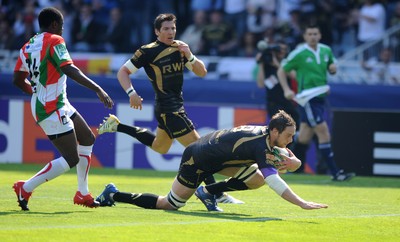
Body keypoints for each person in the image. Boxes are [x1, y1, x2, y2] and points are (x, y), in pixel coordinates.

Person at [97, 13, 242, 204]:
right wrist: (131, 92)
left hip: (174, 107)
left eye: (173, 28)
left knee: (160, 147)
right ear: (157, 31)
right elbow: (123, 71)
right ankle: (215, 193)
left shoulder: (181, 48)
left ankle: (117, 126)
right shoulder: (147, 51)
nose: (170, 32)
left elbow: (202, 72)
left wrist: (189, 55)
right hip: (168, 109)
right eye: (165, 28)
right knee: (200, 150)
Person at [95, 110, 329, 212]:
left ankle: (208, 192)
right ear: (275, 131)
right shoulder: (260, 145)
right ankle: (113, 194)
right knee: (170, 204)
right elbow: (275, 182)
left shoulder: (266, 135)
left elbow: (289, 160)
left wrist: (294, 162)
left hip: (217, 156)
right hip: (197, 159)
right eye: (288, 136)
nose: (290, 141)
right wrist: (302, 203)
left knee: (256, 178)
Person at [12, 7, 114, 211]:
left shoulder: (27, 46)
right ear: (55, 25)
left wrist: (35, 92)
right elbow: (69, 68)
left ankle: (82, 193)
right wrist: (98, 89)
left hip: (57, 102)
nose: (62, 30)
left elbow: (17, 79)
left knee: (87, 139)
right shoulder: (55, 40)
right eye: (62, 26)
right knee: (71, 158)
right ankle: (26, 187)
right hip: (50, 106)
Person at [277, 24, 355, 181]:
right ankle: (336, 173)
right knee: (323, 132)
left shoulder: (326, 50)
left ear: (319, 35)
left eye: (315, 33)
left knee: (304, 137)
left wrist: (333, 68)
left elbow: (332, 66)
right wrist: (286, 89)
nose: (313, 36)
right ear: (305, 37)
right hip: (308, 98)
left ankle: (280, 159)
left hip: (320, 97)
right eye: (310, 34)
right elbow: (282, 70)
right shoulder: (299, 53)